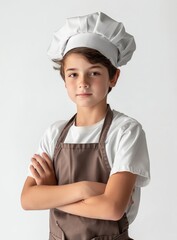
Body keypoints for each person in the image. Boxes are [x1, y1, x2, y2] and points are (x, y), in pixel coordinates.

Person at [21, 12, 150, 240]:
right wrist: (86, 189)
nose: (82, 82)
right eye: (73, 74)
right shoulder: (55, 133)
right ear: (64, 80)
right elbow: (28, 199)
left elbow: (112, 208)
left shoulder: (125, 131)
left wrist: (53, 194)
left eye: (94, 72)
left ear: (114, 77)